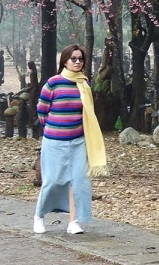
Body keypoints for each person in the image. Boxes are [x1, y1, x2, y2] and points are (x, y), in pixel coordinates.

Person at [33, 44, 108, 235]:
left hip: (78, 141)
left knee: (78, 181)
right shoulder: (53, 83)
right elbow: (42, 110)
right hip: (54, 142)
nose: (77, 62)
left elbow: (87, 112)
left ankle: (74, 221)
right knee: (53, 180)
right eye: (73, 58)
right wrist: (53, 129)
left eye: (80, 59)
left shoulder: (84, 84)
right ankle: (39, 216)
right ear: (64, 60)